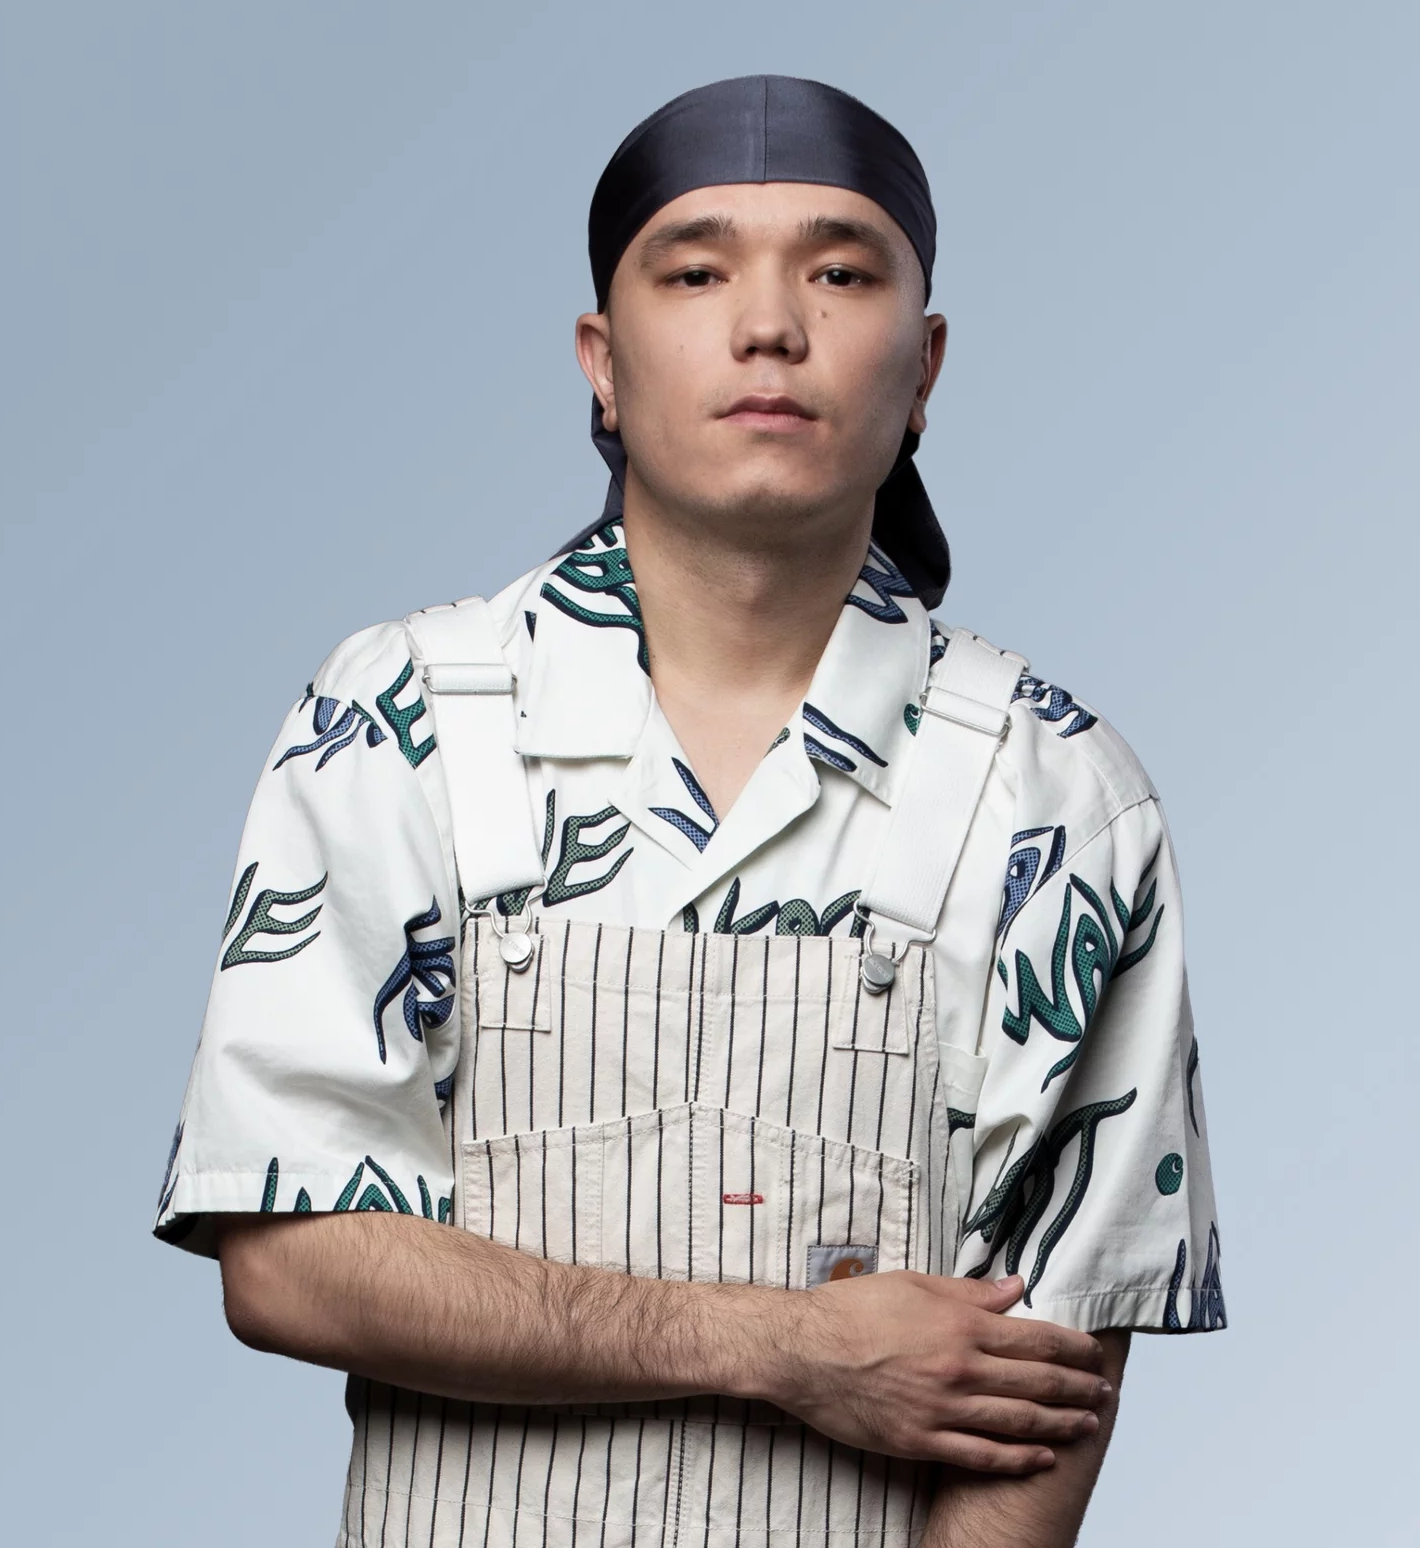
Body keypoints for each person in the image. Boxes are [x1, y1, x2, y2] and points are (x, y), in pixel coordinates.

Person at [154, 75, 1225, 1548]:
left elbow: (1045, 1386)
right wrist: (783, 1346)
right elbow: (283, 1260)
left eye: (839, 273)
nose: (769, 324)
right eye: (698, 272)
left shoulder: (1056, 795)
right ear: (602, 362)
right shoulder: (403, 724)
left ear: (924, 366)